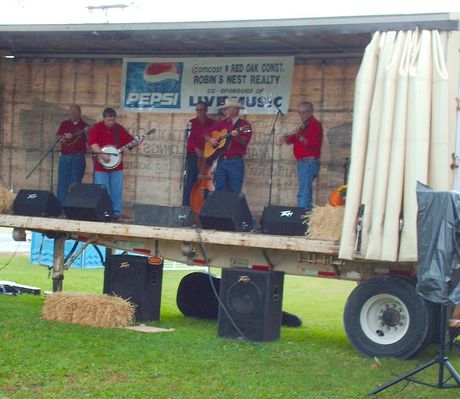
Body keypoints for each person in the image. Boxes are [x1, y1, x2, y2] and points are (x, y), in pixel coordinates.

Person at [88, 108, 141, 221]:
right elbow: (92, 143)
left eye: (113, 120)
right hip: (101, 167)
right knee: (103, 190)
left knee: (117, 190)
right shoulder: (97, 128)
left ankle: (115, 213)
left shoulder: (119, 129)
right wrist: (102, 155)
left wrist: (136, 142)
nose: (111, 122)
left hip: (117, 166)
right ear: (104, 118)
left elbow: (129, 142)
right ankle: (102, 212)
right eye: (108, 120)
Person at [282, 101, 323, 212]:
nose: (302, 115)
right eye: (300, 113)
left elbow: (314, 144)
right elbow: (293, 139)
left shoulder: (315, 125)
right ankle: (304, 216)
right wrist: (287, 138)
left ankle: (303, 218)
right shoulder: (304, 126)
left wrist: (300, 137)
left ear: (310, 112)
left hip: (308, 162)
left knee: (304, 193)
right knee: (304, 192)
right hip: (303, 163)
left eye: (304, 113)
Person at [206, 98, 252, 193]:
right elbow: (205, 133)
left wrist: (237, 136)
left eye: (227, 108)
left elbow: (244, 142)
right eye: (224, 109)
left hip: (235, 161)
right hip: (222, 160)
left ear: (235, 110)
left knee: (235, 190)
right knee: (219, 189)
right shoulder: (222, 123)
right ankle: (221, 208)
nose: (224, 111)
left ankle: (233, 208)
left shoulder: (245, 125)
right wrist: (211, 139)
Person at [182, 101, 215, 206]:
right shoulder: (191, 122)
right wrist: (196, 148)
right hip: (193, 156)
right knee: (190, 182)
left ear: (206, 110)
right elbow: (189, 139)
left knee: (207, 182)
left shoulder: (212, 123)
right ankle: (185, 209)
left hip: (208, 156)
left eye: (202, 110)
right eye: (197, 110)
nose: (199, 112)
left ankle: (204, 208)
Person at [55, 105, 90, 203]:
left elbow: (90, 144)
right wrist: (63, 136)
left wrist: (87, 133)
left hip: (78, 158)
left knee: (75, 183)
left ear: (80, 113)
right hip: (65, 157)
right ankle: (61, 206)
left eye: (75, 112)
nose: (72, 114)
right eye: (71, 112)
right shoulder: (64, 124)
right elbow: (57, 137)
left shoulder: (85, 125)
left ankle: (72, 206)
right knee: (62, 183)